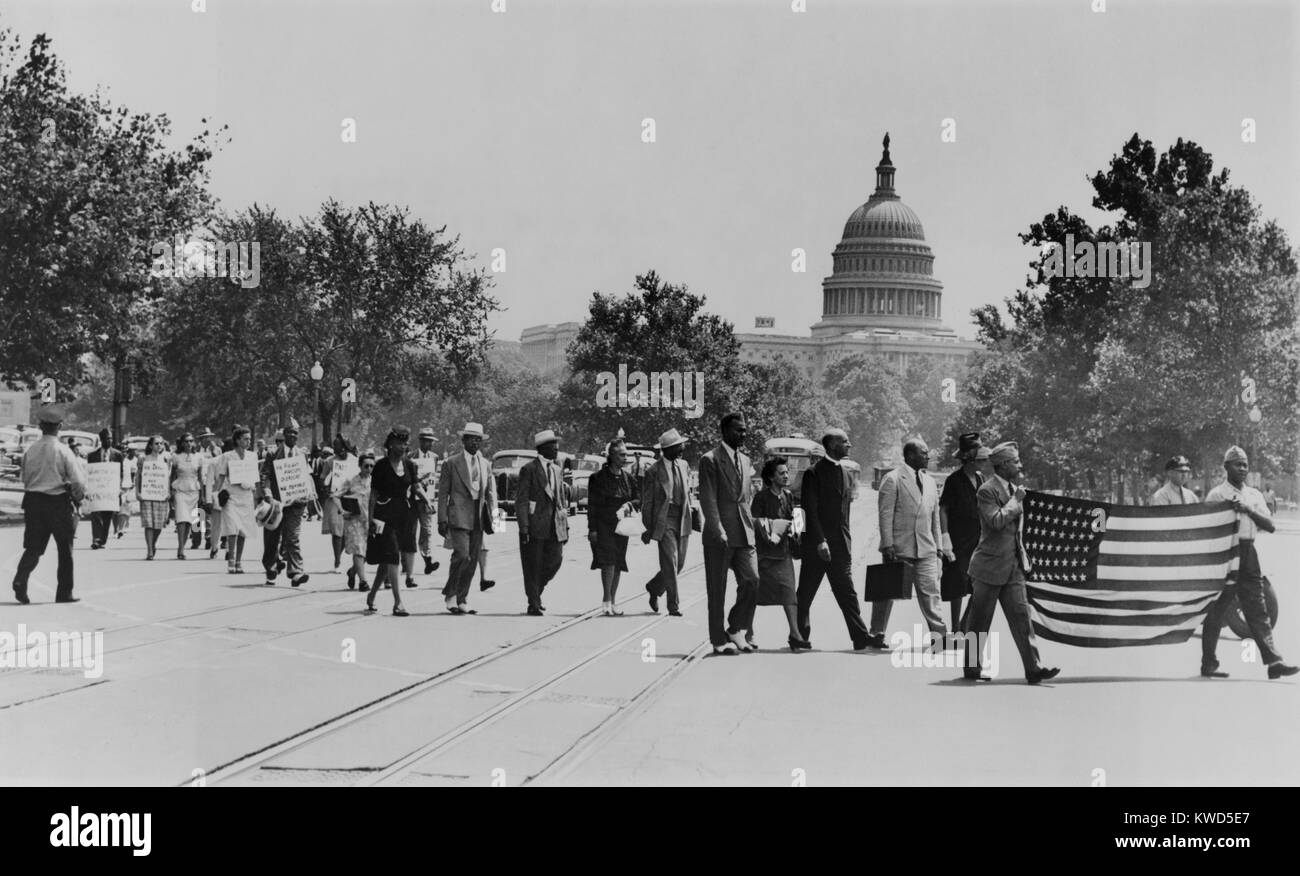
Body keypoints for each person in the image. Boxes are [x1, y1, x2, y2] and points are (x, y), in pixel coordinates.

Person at [963, 441, 1060, 684]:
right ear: (1004, 465)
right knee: (980, 622)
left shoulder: (1016, 489)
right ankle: (972, 668)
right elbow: (995, 521)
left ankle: (1034, 668)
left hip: (1013, 566)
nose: (1020, 465)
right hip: (988, 567)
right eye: (1015, 461)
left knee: (1022, 619)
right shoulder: (987, 491)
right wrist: (1016, 501)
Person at [1200, 446, 1297, 679]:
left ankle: (1274, 662)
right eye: (1236, 464)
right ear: (1226, 467)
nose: (1242, 468)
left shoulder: (1254, 495)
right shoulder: (1217, 494)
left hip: (1248, 552)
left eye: (1244, 464)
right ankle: (1209, 663)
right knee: (1217, 609)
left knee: (1258, 609)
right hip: (1225, 553)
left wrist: (1248, 510)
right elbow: (1206, 527)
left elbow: (1270, 525)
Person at [796, 427, 876, 650]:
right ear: (831, 445)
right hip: (817, 546)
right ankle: (799, 636)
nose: (849, 445)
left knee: (847, 592)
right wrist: (820, 541)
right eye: (845, 441)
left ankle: (860, 637)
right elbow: (808, 510)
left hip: (840, 546)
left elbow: (844, 514)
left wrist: (847, 542)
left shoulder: (845, 473)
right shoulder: (813, 473)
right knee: (805, 594)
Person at [873, 438, 949, 649]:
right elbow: (885, 515)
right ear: (910, 455)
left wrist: (939, 549)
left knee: (931, 593)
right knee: (887, 592)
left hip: (926, 549)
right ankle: (877, 633)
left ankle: (940, 637)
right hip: (899, 548)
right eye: (924, 453)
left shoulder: (931, 482)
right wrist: (888, 545)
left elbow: (934, 519)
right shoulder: (893, 479)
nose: (928, 456)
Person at [11, 404, 85, 604]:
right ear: (59, 426)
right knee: (64, 549)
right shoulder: (64, 451)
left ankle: (20, 579)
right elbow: (78, 481)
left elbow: (24, 477)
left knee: (33, 547)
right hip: (57, 503)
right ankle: (64, 593)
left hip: (34, 501)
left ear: (41, 426)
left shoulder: (31, 450)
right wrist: (78, 497)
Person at [698, 413, 759, 654]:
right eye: (737, 430)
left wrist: (753, 527)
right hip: (719, 535)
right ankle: (718, 640)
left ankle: (735, 628)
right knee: (717, 589)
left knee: (753, 580)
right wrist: (718, 529)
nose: (742, 434)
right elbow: (708, 498)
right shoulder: (710, 459)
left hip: (744, 532)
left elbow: (745, 499)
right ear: (724, 431)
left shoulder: (745, 459)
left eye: (744, 430)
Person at [438, 422, 496, 615]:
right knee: (461, 555)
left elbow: (491, 494)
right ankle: (450, 594)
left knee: (472, 560)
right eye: (471, 438)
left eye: (478, 439)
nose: (475, 442)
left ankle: (462, 598)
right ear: (463, 440)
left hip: (478, 517)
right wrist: (441, 519)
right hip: (458, 516)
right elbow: (443, 493)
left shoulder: (486, 464)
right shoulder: (451, 463)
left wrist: (495, 519)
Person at [753, 456, 808, 650]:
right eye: (781, 473)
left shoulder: (788, 496)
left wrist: (797, 528)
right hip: (764, 556)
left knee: (789, 594)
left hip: (783, 553)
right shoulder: (761, 498)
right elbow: (755, 523)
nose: (786, 476)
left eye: (787, 472)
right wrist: (774, 526)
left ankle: (795, 633)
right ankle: (749, 633)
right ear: (770, 477)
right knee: (755, 594)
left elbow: (795, 519)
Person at [365, 427, 421, 616]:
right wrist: (370, 518)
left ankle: (371, 595)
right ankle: (398, 602)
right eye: (399, 443)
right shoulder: (380, 466)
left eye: (405, 443)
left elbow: (415, 487)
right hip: (383, 517)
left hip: (403, 517)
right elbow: (373, 495)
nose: (403, 446)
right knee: (392, 556)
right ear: (390, 444)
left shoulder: (410, 465)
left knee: (387, 560)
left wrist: (428, 502)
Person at [516, 429, 569, 616]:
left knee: (555, 560)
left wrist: (565, 526)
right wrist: (524, 527)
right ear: (542, 448)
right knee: (533, 564)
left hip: (554, 526)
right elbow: (521, 500)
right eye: (552, 445)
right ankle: (534, 602)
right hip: (535, 525)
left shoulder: (556, 469)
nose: (556, 448)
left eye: (556, 444)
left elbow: (560, 500)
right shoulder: (529, 470)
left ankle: (536, 591)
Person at [939, 433, 988, 631]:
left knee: (979, 584)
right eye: (980, 459)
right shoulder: (954, 480)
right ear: (969, 459)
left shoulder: (981, 478)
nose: (983, 462)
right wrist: (945, 538)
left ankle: (965, 623)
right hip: (958, 539)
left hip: (978, 538)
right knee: (957, 583)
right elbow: (943, 509)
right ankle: (955, 629)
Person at [641, 428, 691, 617]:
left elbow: (688, 495)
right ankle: (674, 605)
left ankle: (654, 587)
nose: (682, 449)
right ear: (666, 449)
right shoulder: (653, 471)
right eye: (677, 446)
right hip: (665, 519)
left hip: (682, 519)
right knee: (670, 561)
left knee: (680, 564)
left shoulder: (684, 465)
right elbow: (648, 503)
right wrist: (648, 527)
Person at [588, 436, 638, 616]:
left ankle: (614, 601)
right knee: (608, 562)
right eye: (621, 455)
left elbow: (638, 499)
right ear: (612, 456)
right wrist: (592, 529)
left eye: (626, 455)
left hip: (622, 527)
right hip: (603, 526)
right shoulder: (598, 478)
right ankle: (606, 599)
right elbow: (592, 505)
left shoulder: (629, 478)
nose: (625, 458)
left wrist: (629, 505)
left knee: (618, 563)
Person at [261, 423, 311, 587]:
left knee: (292, 537)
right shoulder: (273, 453)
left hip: (295, 503)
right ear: (284, 435)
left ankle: (296, 572)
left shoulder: (302, 455)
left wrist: (308, 493)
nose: (293, 436)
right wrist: (267, 494)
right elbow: (266, 476)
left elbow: (305, 477)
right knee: (272, 538)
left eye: (296, 434)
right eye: (290, 433)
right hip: (276, 502)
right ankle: (271, 567)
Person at [214, 425, 258, 574]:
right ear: (238, 440)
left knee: (242, 530)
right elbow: (220, 477)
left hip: (246, 497)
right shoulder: (227, 456)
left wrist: (257, 496)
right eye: (245, 439)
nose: (248, 442)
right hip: (231, 496)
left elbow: (255, 478)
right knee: (232, 527)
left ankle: (239, 561)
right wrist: (214, 495)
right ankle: (231, 560)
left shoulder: (252, 456)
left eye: (249, 439)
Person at [406, 427, 442, 583]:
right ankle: (405, 561)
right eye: (427, 441)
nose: (430, 445)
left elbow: (433, 478)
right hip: (412, 499)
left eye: (432, 442)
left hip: (428, 498)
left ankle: (427, 559)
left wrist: (432, 494)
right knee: (410, 531)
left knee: (427, 531)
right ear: (421, 441)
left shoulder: (434, 457)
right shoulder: (410, 457)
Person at [338, 451, 375, 591]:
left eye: (372, 466)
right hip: (354, 521)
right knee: (359, 550)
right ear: (360, 466)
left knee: (367, 553)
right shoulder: (350, 481)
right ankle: (363, 581)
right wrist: (342, 510)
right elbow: (335, 496)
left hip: (369, 520)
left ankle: (353, 571)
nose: (369, 469)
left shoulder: (376, 482)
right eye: (366, 466)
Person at [86, 428, 124, 550]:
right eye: (107, 438)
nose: (110, 440)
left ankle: (102, 539)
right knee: (96, 513)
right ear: (101, 440)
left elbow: (120, 473)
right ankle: (96, 539)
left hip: (110, 490)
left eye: (111, 438)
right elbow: (90, 473)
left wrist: (119, 488)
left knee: (107, 515)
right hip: (97, 489)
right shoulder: (92, 455)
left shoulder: (117, 455)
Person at [318, 436, 352, 572]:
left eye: (340, 446)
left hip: (350, 498)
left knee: (346, 531)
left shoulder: (354, 461)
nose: (338, 449)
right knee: (336, 530)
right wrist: (325, 489)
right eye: (335, 446)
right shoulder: (330, 461)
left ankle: (339, 554)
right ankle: (337, 561)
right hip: (334, 498)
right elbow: (322, 478)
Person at [135, 435, 170, 560]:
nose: (159, 446)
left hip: (161, 495)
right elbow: (138, 476)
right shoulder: (143, 459)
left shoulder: (166, 459)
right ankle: (149, 550)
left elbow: (168, 477)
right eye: (156, 443)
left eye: (161, 443)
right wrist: (137, 492)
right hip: (147, 494)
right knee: (149, 523)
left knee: (159, 525)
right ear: (150, 445)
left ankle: (153, 542)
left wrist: (168, 492)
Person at [170, 433, 203, 560]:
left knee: (189, 521)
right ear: (182, 443)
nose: (189, 444)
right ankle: (180, 548)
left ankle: (182, 546)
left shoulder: (198, 457)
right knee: (181, 518)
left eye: (191, 441)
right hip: (180, 490)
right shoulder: (176, 457)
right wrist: (170, 491)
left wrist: (202, 495)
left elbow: (200, 477)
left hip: (193, 490)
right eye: (187, 441)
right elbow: (172, 476)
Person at [197, 428, 224, 557]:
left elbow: (220, 464)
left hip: (213, 483)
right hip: (199, 481)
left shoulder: (217, 450)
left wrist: (213, 451)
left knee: (210, 513)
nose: (207, 439)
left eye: (209, 436)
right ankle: (196, 535)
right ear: (201, 439)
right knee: (198, 512)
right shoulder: (197, 451)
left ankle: (209, 535)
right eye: (204, 437)